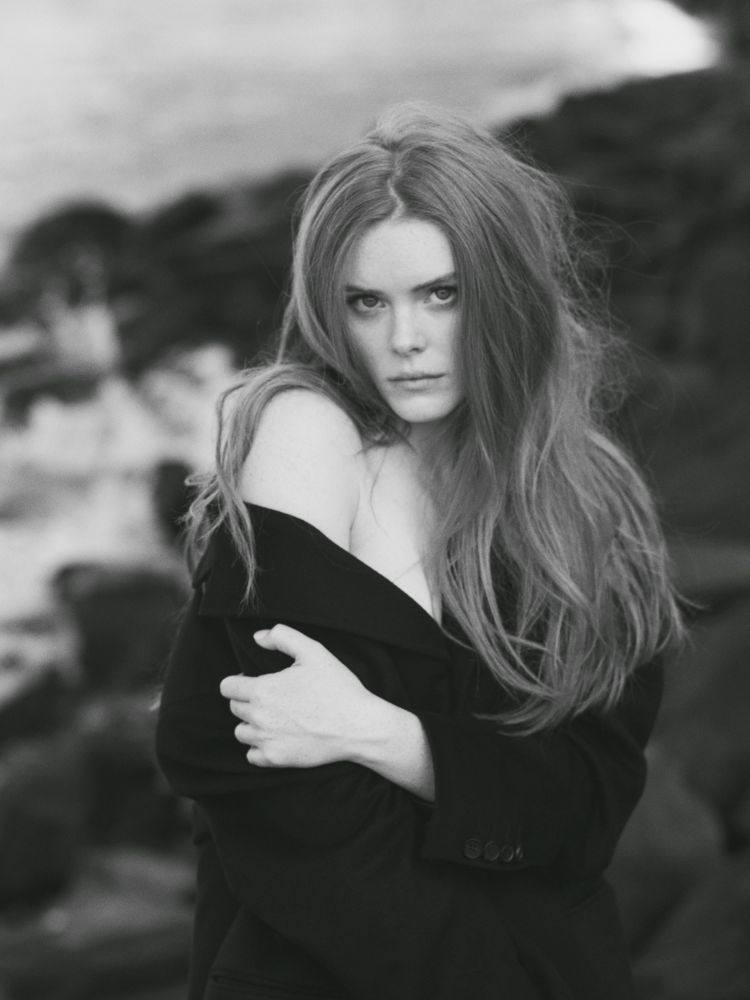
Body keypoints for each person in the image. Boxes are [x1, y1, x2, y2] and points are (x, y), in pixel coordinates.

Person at [155, 104, 683, 1000]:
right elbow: (274, 787)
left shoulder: (592, 500)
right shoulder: (308, 434)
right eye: (368, 301)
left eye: (442, 293)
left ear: (507, 291)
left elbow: (585, 807)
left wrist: (390, 737)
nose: (405, 340)